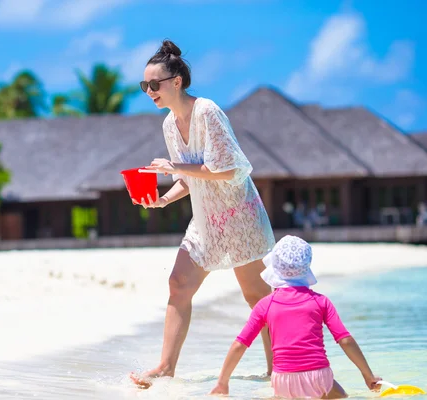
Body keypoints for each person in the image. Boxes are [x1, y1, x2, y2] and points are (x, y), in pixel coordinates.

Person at [129, 39, 276, 388]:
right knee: (178, 283)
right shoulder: (168, 124)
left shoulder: (207, 111)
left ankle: (278, 369)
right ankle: (165, 366)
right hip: (206, 218)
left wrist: (175, 166)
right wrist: (165, 199)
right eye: (144, 86)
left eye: (155, 84)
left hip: (239, 214)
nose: (150, 91)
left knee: (256, 295)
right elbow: (189, 178)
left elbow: (227, 170)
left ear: (176, 82)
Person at [209, 235, 382, 398]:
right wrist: (368, 375)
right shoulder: (320, 301)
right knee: (343, 397)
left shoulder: (265, 305)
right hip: (319, 377)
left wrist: (222, 382)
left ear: (274, 268)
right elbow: (345, 340)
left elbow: (240, 344)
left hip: (283, 380)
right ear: (306, 267)